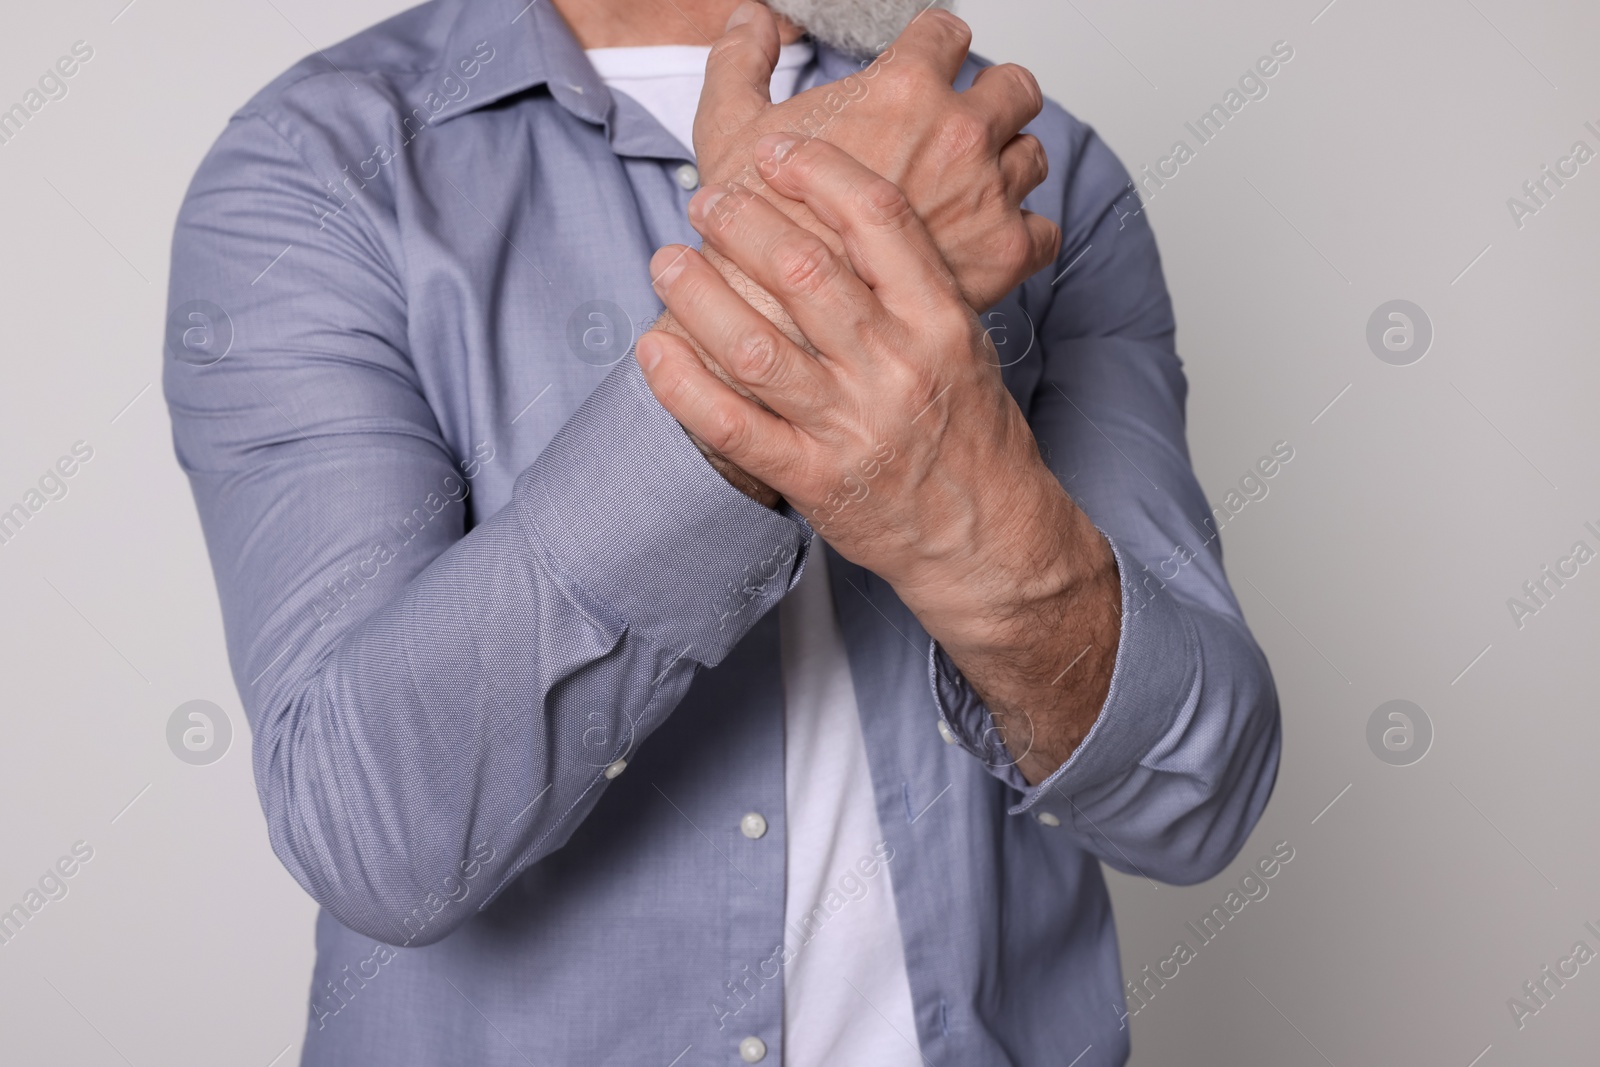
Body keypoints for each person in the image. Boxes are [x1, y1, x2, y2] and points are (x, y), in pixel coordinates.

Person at [163, 0, 1281, 1063]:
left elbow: (1191, 794)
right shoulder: (318, 169)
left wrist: (977, 514)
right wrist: (804, 301)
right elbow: (378, 837)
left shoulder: (1029, 169)